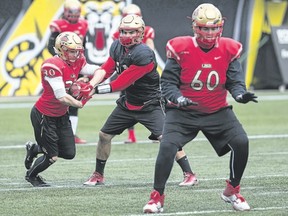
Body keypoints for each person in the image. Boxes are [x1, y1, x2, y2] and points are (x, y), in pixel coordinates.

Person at [143, 3, 258, 213]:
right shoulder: (181, 47)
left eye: (213, 28)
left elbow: (234, 80)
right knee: (168, 146)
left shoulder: (229, 48)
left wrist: (240, 94)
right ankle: (157, 197)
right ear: (196, 27)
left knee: (241, 142)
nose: (210, 32)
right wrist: (178, 98)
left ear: (220, 27)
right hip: (182, 112)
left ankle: (232, 190)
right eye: (205, 28)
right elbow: (167, 83)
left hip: (216, 111)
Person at [83, 14, 198, 187]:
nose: (126, 35)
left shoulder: (144, 54)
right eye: (123, 31)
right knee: (104, 135)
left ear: (140, 33)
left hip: (150, 103)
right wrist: (90, 84)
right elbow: (106, 69)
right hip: (129, 103)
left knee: (166, 139)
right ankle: (98, 174)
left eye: (130, 32)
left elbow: (121, 82)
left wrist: (94, 90)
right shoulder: (116, 47)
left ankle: (189, 174)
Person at [24, 31, 105, 187]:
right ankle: (32, 176)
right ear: (61, 49)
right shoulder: (52, 65)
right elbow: (61, 96)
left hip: (61, 115)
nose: (76, 54)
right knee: (51, 156)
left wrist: (89, 86)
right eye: (72, 50)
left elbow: (100, 71)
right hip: (44, 115)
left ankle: (34, 148)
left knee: (69, 153)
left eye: (77, 50)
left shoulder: (78, 60)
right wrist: (79, 103)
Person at [48, 0, 88, 144]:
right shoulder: (58, 25)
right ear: (65, 12)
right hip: (62, 66)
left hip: (75, 66)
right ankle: (54, 134)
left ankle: (71, 135)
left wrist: (82, 68)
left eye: (76, 13)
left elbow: (85, 47)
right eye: (71, 13)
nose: (73, 16)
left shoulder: (83, 24)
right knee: (58, 100)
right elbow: (50, 46)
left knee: (74, 98)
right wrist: (61, 62)